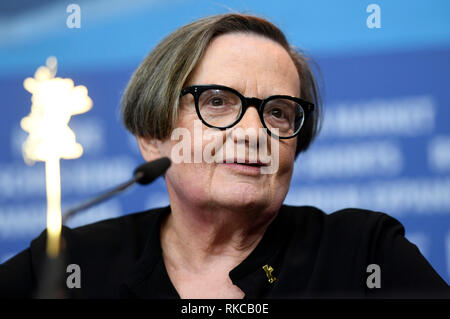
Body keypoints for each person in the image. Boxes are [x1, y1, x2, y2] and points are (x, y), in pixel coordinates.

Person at [0, 13, 448, 299]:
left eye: (278, 112)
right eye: (217, 102)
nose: (254, 133)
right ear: (152, 137)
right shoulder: (67, 263)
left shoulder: (363, 254)